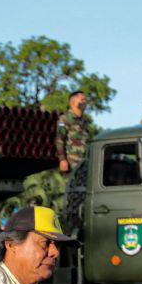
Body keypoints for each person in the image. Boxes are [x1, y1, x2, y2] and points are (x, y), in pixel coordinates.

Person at [55, 91, 92, 237]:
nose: (85, 102)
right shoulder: (65, 118)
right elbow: (59, 140)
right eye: (82, 99)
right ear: (73, 101)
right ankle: (66, 228)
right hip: (70, 165)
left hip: (83, 166)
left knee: (81, 196)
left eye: (86, 99)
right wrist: (62, 159)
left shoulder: (84, 121)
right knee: (68, 198)